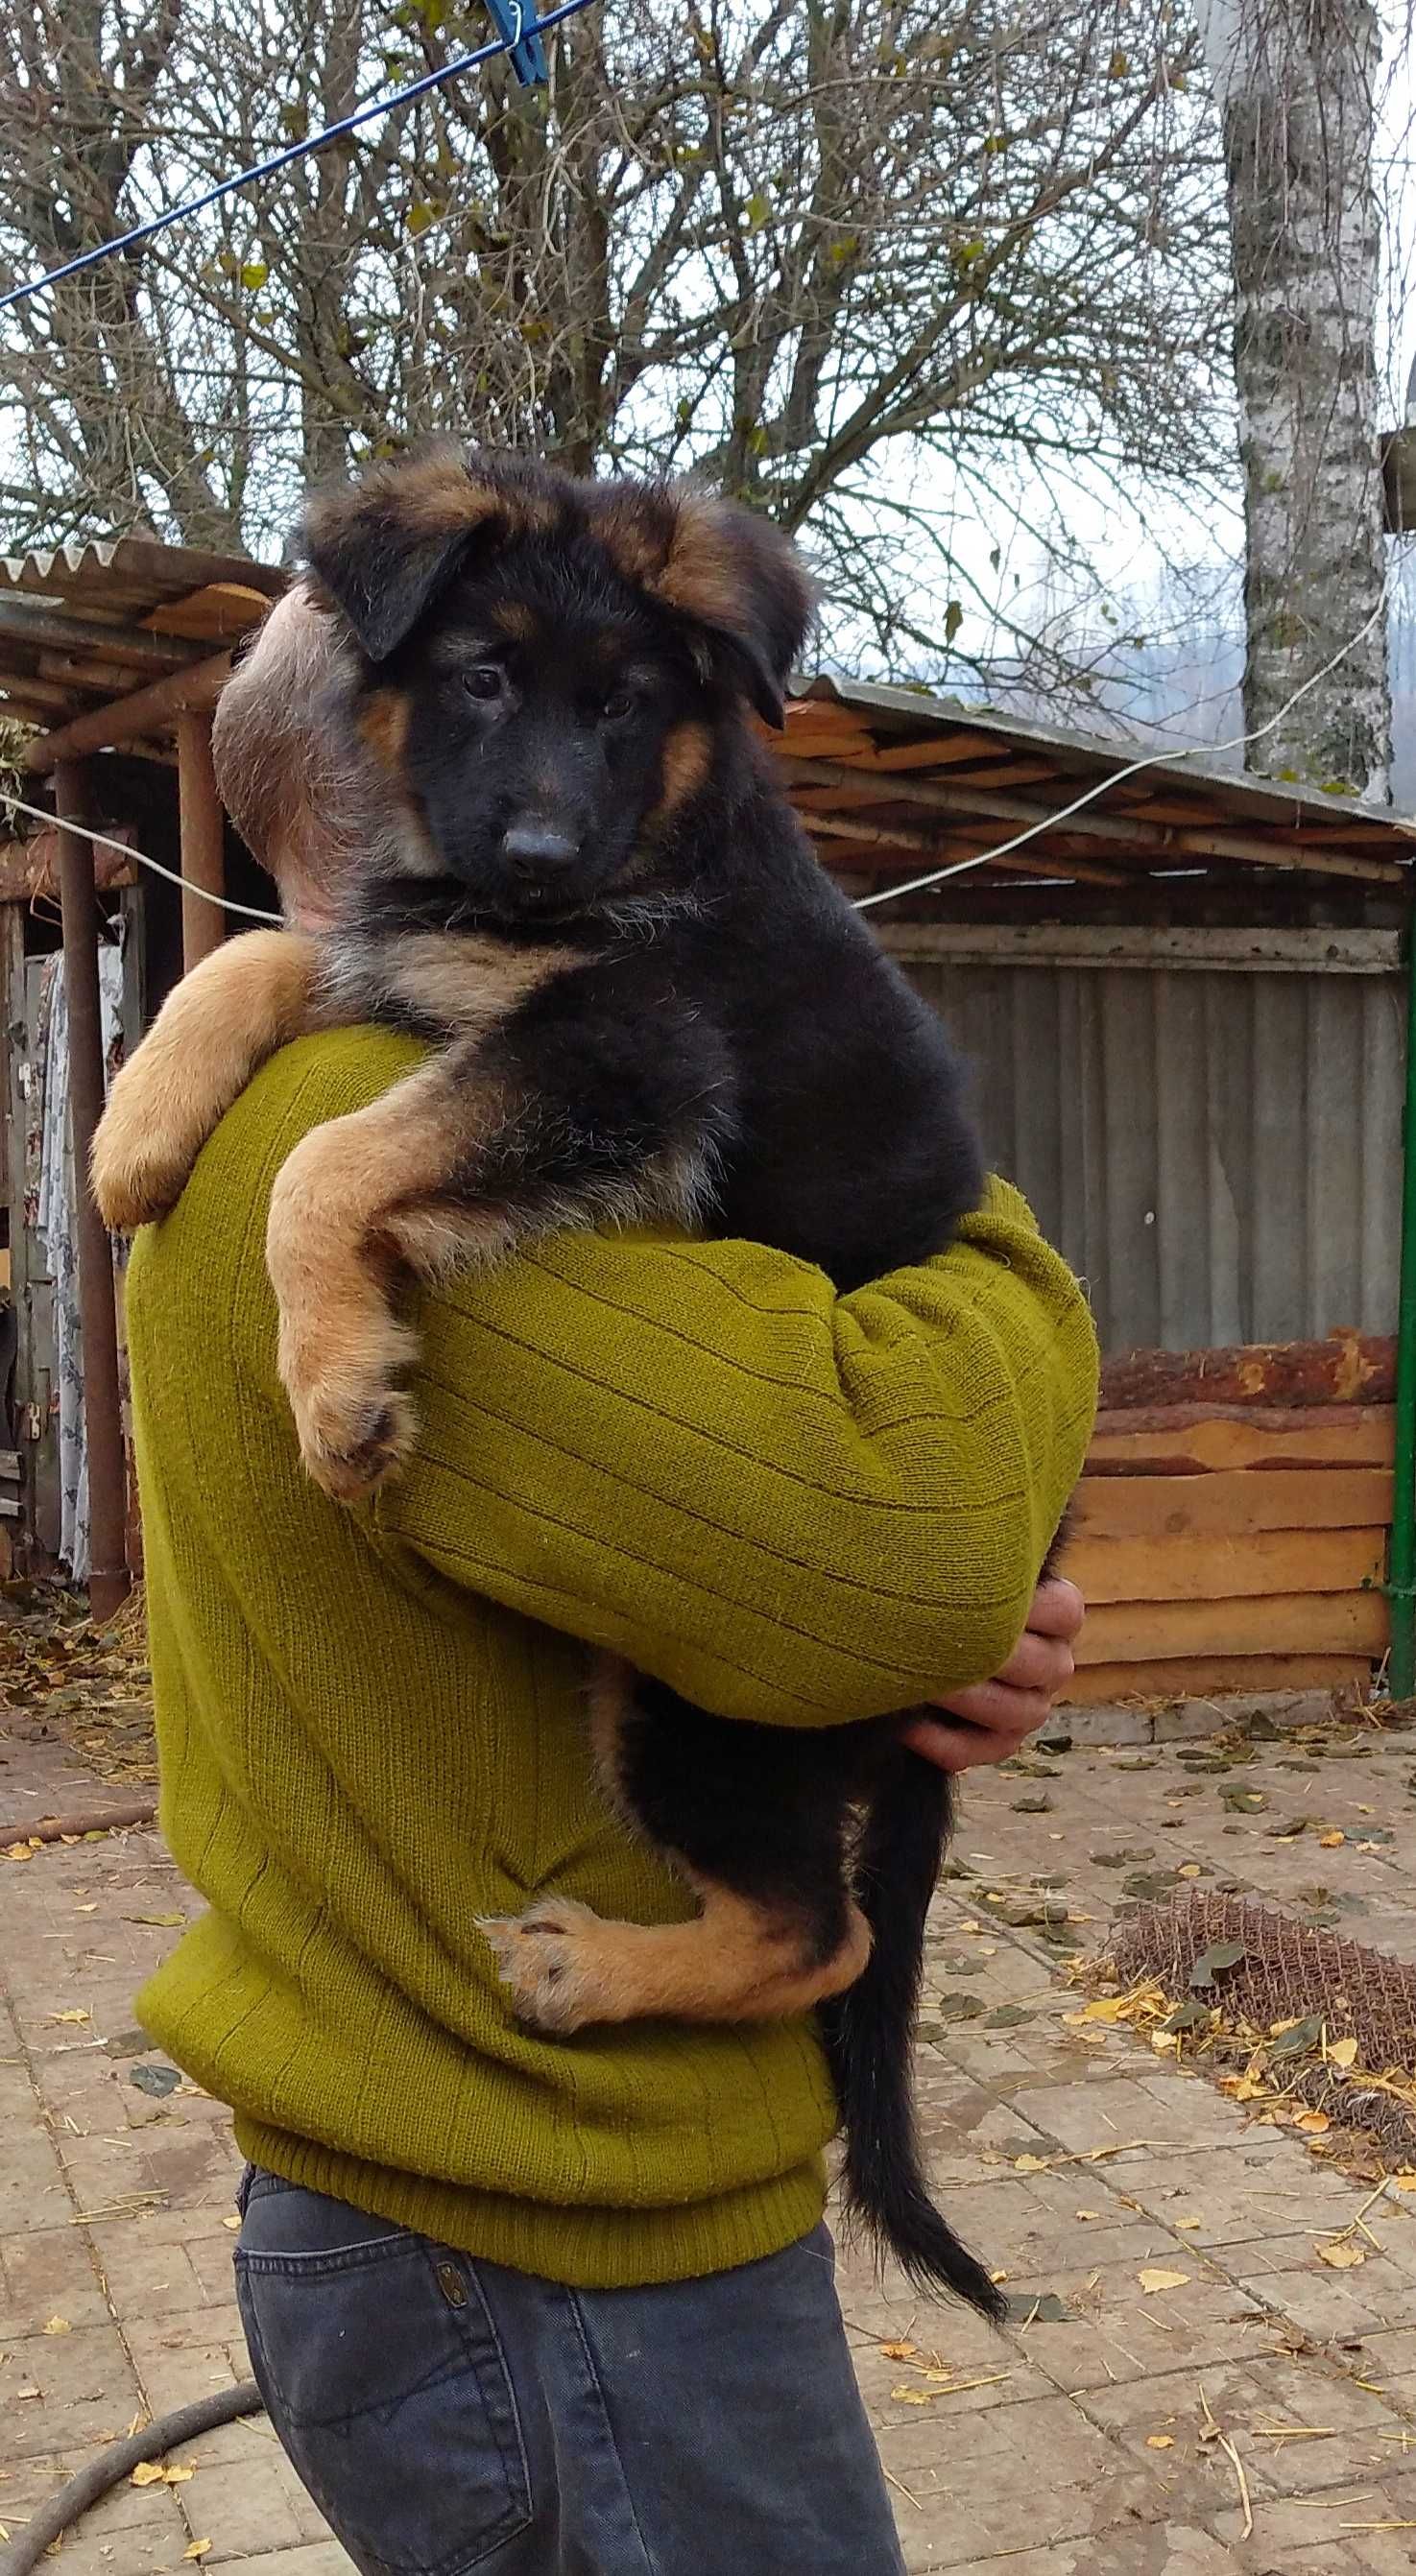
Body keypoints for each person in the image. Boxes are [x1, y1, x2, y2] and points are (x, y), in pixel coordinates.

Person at [123, 585, 1097, 2576]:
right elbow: (900, 1539)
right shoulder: (384, 1157)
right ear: (414, 766)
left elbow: (860, 1572)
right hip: (551, 2260)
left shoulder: (272, 1088)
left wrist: (968, 1606)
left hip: (458, 2219)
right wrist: (1002, 1316)